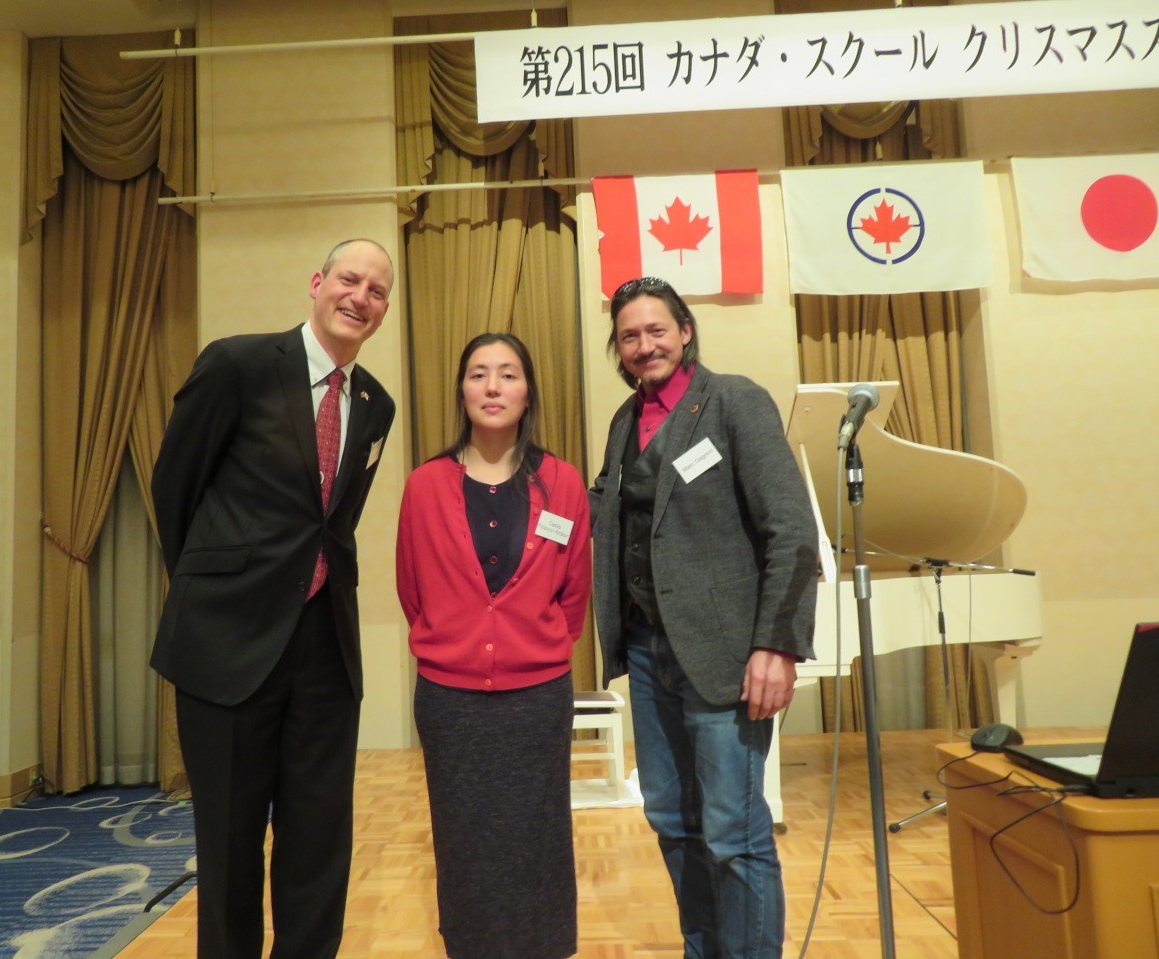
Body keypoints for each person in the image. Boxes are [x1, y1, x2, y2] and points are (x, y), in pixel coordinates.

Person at [149, 239, 396, 959]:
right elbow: (176, 488)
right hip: (226, 645)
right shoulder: (238, 364)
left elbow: (333, 524)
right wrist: (213, 592)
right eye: (349, 279)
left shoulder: (375, 403)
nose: (361, 297)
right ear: (317, 283)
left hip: (323, 649)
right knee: (228, 845)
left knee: (319, 843)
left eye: (377, 291)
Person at [588, 276, 820, 959]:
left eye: (656, 329)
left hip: (725, 660)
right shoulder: (622, 423)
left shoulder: (734, 401)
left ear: (685, 331)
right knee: (671, 821)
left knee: (733, 832)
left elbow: (791, 530)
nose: (643, 344)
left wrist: (775, 644)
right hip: (645, 654)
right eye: (629, 335)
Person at [395, 332, 591, 959]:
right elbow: (412, 588)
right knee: (463, 839)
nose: (492, 387)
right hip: (451, 702)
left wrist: (534, 644)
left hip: (536, 698)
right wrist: (456, 639)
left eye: (507, 375)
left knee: (539, 835)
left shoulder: (562, 484)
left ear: (527, 392)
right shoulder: (425, 485)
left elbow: (574, 591)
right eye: (479, 374)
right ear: (462, 391)